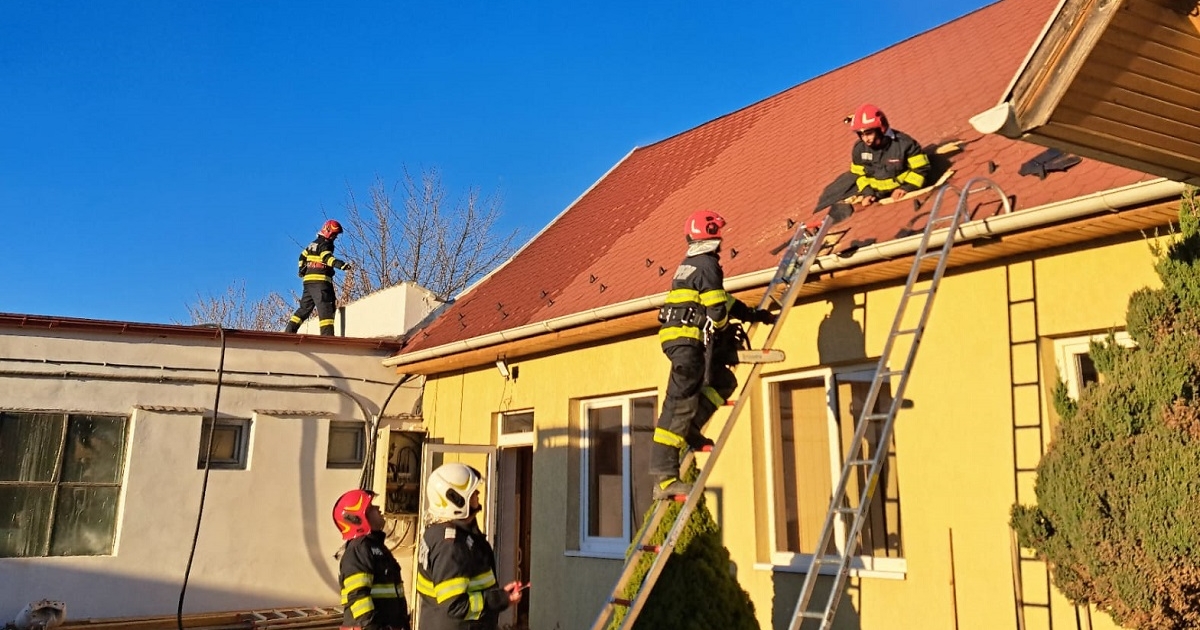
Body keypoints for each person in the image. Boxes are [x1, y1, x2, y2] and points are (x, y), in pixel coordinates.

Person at [650, 210, 776, 500]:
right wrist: (721, 331)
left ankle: (692, 429)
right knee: (678, 405)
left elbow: (723, 300)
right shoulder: (708, 265)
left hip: (682, 340)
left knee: (722, 381)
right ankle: (665, 478)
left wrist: (752, 314)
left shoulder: (692, 264)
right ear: (712, 236)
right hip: (687, 342)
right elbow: (717, 311)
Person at [416, 463, 523, 630]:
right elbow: (455, 606)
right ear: (456, 500)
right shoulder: (450, 545)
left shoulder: (442, 534)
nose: (478, 494)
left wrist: (501, 596)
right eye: (472, 493)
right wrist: (500, 600)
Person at [332, 488, 411, 630]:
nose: (378, 508)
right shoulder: (359, 549)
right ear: (358, 517)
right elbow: (358, 596)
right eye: (371, 507)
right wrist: (372, 627)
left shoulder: (376, 547)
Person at [847, 103, 931, 207]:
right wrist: (868, 193)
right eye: (861, 134)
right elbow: (858, 175)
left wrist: (906, 188)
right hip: (876, 198)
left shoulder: (904, 144)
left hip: (902, 195)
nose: (865, 139)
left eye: (869, 133)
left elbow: (922, 169)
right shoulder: (859, 149)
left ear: (881, 129)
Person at [284, 219, 353, 335]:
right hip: (321, 282)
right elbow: (327, 258)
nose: (335, 237)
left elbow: (302, 256)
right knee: (326, 308)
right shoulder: (325, 244)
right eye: (334, 234)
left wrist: (301, 270)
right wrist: (341, 265)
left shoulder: (313, 244)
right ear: (328, 231)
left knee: (304, 309)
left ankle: (289, 331)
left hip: (308, 282)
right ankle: (327, 337)